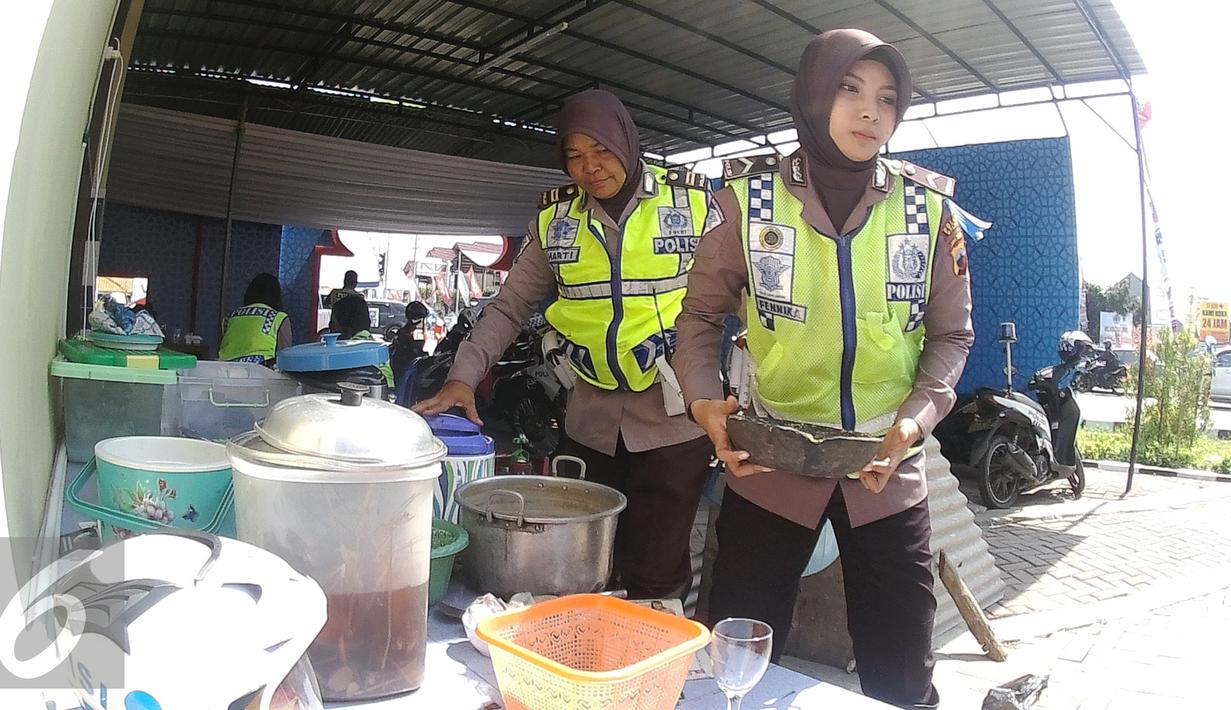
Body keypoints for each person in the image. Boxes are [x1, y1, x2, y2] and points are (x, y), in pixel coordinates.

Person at [675, 29, 981, 708]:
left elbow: (951, 337)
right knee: (735, 655)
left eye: (887, 98)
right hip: (770, 463)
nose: (870, 112)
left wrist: (914, 419)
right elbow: (696, 322)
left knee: (902, 668)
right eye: (849, 89)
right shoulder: (745, 206)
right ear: (813, 95)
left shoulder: (928, 212)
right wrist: (704, 404)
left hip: (884, 465)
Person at [415, 89, 716, 601]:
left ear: (626, 141)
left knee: (659, 567)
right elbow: (509, 306)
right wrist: (462, 377)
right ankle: (588, 662)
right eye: (574, 156)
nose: (590, 168)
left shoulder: (694, 204)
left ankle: (655, 668)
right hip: (589, 422)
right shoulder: (556, 224)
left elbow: (743, 294)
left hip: (675, 419)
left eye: (601, 150)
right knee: (587, 563)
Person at [218, 273, 292, 365]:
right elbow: (285, 355)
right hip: (261, 369)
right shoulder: (279, 317)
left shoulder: (231, 316)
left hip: (225, 368)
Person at [330, 294, 394, 389]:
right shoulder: (374, 345)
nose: (331, 328)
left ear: (345, 325)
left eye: (333, 323)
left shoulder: (347, 352)